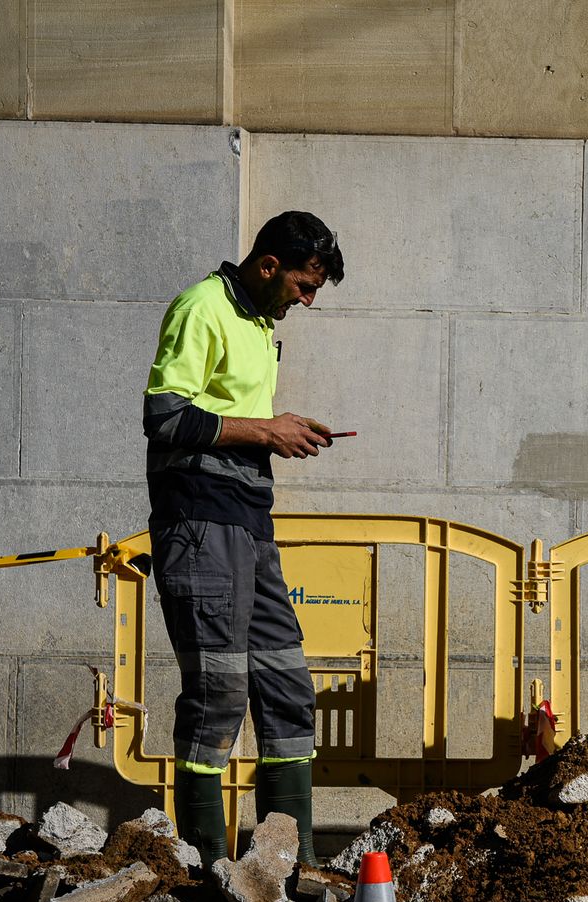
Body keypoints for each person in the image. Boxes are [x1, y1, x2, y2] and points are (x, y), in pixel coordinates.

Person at [141, 210, 345, 866]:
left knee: (287, 687)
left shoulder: (258, 322)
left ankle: (290, 865)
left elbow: (229, 415)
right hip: (200, 520)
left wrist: (281, 428)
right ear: (268, 266)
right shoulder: (203, 307)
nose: (307, 300)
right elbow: (164, 415)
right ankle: (205, 869)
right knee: (219, 691)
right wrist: (266, 431)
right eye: (303, 286)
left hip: (250, 523)